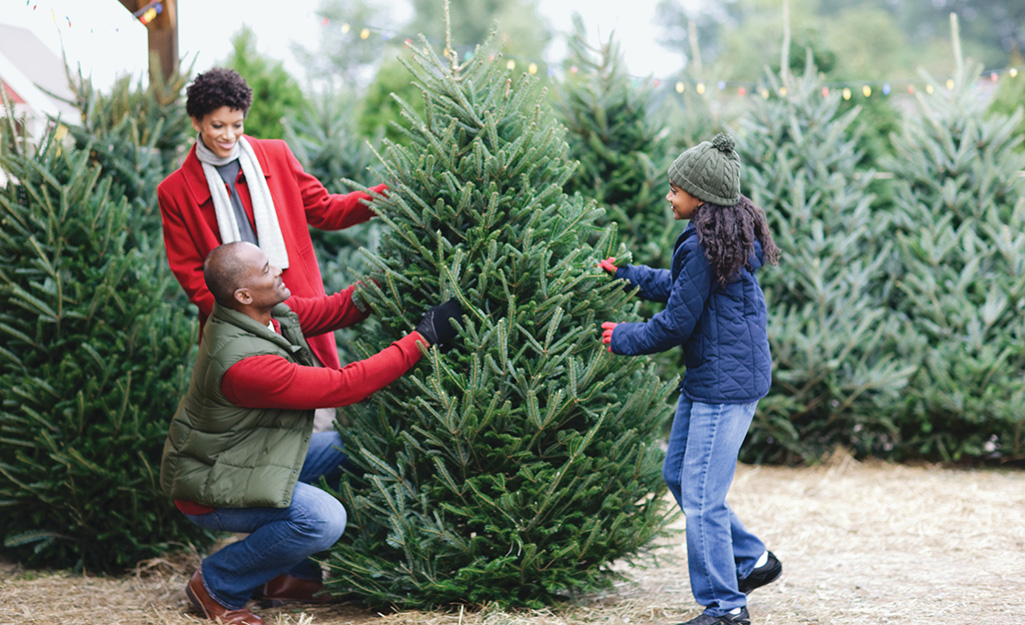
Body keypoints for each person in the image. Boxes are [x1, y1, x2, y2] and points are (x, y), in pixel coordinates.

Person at [159, 241, 462, 625]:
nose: (279, 271)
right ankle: (218, 583)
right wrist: (423, 338)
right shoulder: (245, 364)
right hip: (214, 485)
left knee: (352, 448)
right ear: (243, 294)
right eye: (267, 269)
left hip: (253, 460)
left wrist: (399, 274)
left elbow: (337, 308)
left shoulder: (262, 312)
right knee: (323, 518)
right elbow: (343, 386)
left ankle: (291, 574)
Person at [597, 133, 782, 625]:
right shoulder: (712, 239)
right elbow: (682, 289)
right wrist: (631, 275)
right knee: (678, 475)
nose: (668, 195)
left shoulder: (706, 244)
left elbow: (677, 322)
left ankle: (726, 607)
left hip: (726, 386)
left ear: (700, 196)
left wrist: (623, 338)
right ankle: (751, 560)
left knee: (702, 499)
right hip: (711, 377)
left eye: (675, 188)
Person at [157, 67, 386, 375]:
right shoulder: (175, 191)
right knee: (258, 412)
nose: (228, 135)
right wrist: (247, 316)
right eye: (217, 125)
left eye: (236, 124)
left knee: (320, 400)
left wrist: (392, 193)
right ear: (197, 122)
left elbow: (327, 210)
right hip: (235, 324)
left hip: (301, 307)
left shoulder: (276, 155)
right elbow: (192, 276)